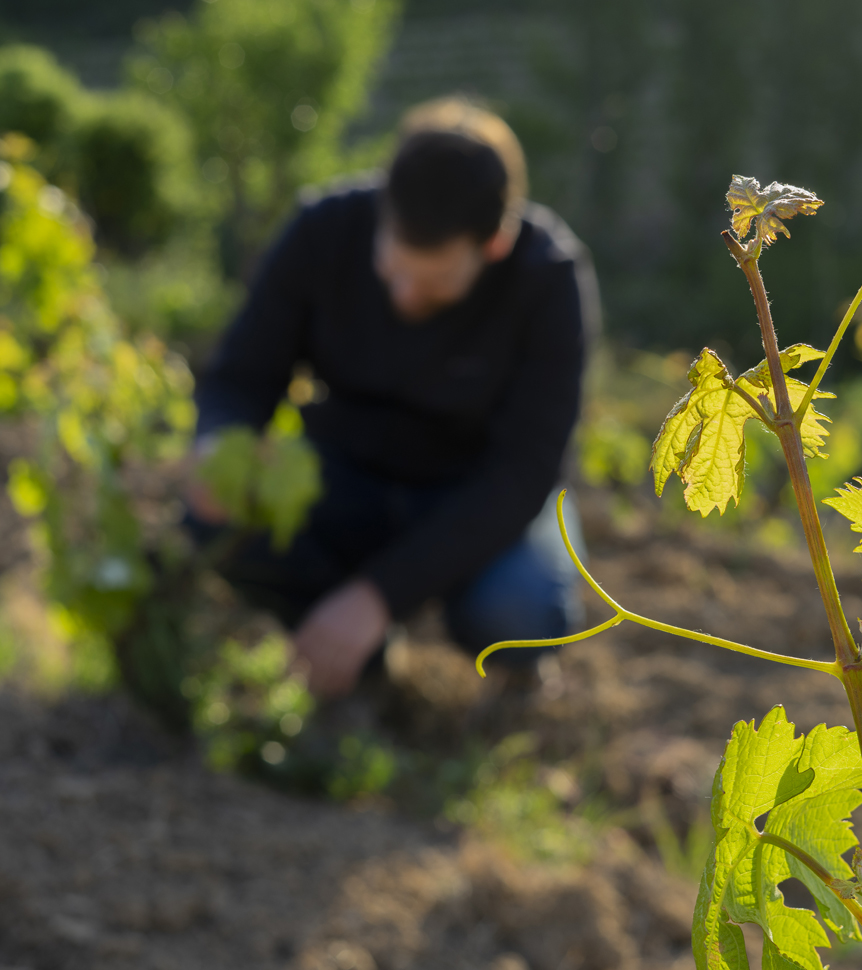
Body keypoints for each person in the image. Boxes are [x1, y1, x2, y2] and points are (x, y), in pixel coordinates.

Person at [185, 98, 597, 698]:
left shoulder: (549, 280)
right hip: (346, 476)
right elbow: (240, 378)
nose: (405, 296)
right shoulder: (323, 229)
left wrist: (375, 594)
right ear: (382, 207)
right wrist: (219, 438)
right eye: (393, 269)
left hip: (476, 492)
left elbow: (524, 473)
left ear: (495, 246)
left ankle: (509, 678)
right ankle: (358, 663)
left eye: (434, 282)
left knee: (520, 612)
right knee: (216, 520)